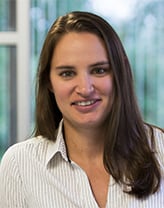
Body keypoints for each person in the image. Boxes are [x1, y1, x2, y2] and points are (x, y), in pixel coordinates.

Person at [0, 11, 164, 208]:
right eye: (67, 73)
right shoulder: (19, 164)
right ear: (49, 82)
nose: (85, 89)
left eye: (99, 70)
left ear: (119, 74)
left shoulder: (161, 151)